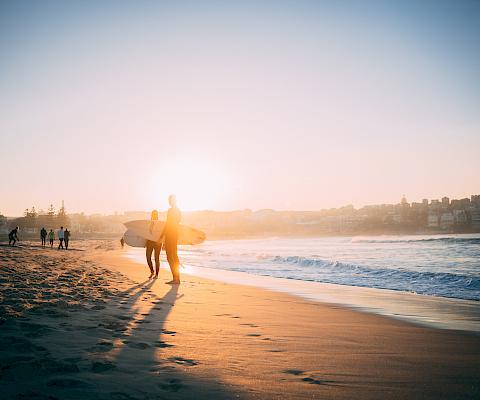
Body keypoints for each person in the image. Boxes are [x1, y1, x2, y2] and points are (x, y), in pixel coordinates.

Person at [160, 195, 181, 284]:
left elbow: (169, 224)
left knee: (172, 256)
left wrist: (162, 237)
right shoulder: (176, 210)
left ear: (174, 201)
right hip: (173, 235)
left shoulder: (173, 210)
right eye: (169, 200)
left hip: (171, 235)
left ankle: (176, 278)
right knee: (172, 256)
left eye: (170, 200)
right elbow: (172, 223)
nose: (169, 202)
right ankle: (176, 278)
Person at [146, 210, 162, 279]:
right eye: (153, 214)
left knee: (156, 258)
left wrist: (161, 241)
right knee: (148, 257)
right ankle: (152, 271)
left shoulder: (160, 224)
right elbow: (146, 233)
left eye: (155, 214)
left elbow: (162, 233)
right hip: (150, 241)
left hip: (157, 242)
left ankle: (156, 274)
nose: (154, 216)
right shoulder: (148, 223)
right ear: (151, 215)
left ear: (157, 215)